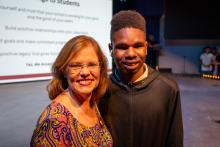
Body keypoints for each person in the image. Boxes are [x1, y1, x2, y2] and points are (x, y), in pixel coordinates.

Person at [99, 10, 183, 147]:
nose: (131, 54)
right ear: (111, 49)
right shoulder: (101, 90)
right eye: (122, 47)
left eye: (138, 46)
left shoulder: (168, 89)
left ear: (146, 47)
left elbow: (174, 141)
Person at [31, 35, 113, 146]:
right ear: (64, 70)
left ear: (101, 68)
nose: (85, 72)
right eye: (76, 65)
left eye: (92, 64)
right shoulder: (53, 123)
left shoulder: (92, 102)